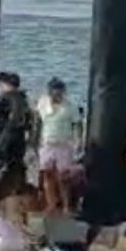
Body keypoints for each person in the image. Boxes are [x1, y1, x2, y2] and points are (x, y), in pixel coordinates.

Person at [34, 77, 79, 215]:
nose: (56, 95)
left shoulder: (70, 106)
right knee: (47, 174)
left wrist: (78, 142)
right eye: (53, 92)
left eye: (59, 92)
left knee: (63, 177)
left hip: (64, 144)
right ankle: (51, 203)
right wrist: (34, 140)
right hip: (47, 143)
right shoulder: (42, 103)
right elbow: (37, 122)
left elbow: (77, 124)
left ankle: (66, 205)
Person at [0, 72, 33, 196]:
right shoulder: (23, 99)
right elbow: (28, 122)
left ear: (4, 84)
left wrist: (0, 146)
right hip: (20, 139)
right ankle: (17, 191)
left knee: (1, 166)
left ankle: (0, 193)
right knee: (17, 165)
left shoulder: (6, 98)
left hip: (7, 137)